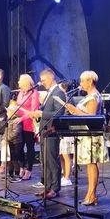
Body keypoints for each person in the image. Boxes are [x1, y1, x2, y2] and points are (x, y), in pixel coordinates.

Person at [64, 70, 108, 206]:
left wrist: (74, 110)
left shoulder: (94, 96)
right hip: (86, 135)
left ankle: (92, 195)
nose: (81, 83)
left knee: (92, 164)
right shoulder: (89, 96)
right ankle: (90, 194)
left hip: (92, 136)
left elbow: (91, 116)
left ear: (90, 81)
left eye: (83, 81)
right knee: (89, 164)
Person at [30, 69, 66, 199]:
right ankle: (47, 187)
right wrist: (37, 114)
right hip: (45, 131)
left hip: (52, 131)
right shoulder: (50, 92)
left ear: (51, 78)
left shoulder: (58, 92)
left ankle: (55, 188)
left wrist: (42, 113)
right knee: (45, 161)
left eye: (44, 80)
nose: (42, 83)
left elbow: (59, 113)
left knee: (52, 160)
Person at [14, 73, 40, 181]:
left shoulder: (34, 93)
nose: (18, 82)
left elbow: (33, 111)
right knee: (18, 148)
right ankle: (22, 166)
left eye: (20, 80)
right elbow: (18, 106)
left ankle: (29, 169)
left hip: (29, 124)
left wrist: (22, 118)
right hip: (20, 124)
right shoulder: (20, 93)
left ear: (25, 82)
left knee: (29, 147)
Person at [3, 105, 23, 182]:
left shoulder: (16, 121)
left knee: (15, 159)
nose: (7, 113)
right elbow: (5, 131)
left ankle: (17, 174)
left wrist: (7, 138)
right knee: (10, 159)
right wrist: (4, 139)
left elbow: (16, 133)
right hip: (10, 142)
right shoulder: (8, 120)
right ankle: (10, 173)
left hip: (16, 142)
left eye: (8, 112)